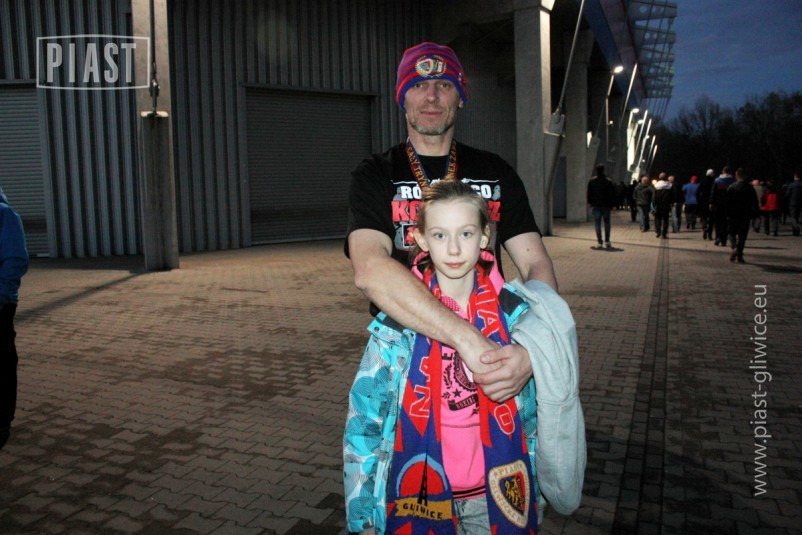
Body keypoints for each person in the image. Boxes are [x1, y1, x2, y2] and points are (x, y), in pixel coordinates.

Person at [345, 42, 558, 405]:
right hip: (406, 354)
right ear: (402, 98)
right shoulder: (376, 174)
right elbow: (369, 269)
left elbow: (535, 263)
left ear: (460, 98)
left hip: (492, 355)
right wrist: (464, 337)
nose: (431, 97)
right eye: (418, 85)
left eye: (444, 85)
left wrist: (531, 346)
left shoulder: (496, 171)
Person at [345, 182, 542, 534]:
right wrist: (362, 517)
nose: (453, 248)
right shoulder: (395, 325)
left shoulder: (515, 316)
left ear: (484, 236)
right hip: (417, 494)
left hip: (495, 495)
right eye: (439, 235)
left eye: (466, 233)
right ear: (420, 239)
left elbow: (539, 413)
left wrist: (541, 487)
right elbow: (365, 421)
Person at [0, 188, 29, 450]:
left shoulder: (5, 214)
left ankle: (2, 420)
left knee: (3, 362)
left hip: (1, 303)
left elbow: (17, 259)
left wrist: (1, 294)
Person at [725, 168, 760, 263]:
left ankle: (734, 247)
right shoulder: (749, 188)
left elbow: (727, 202)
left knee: (731, 233)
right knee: (742, 235)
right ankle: (740, 254)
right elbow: (755, 202)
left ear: (737, 176)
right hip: (745, 214)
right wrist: (756, 214)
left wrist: (726, 213)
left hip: (733, 214)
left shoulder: (732, 187)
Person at [586, 164, 617, 248]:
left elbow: (589, 193)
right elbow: (612, 194)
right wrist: (613, 205)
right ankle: (607, 241)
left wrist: (589, 203)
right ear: (603, 170)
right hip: (606, 205)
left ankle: (599, 242)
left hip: (596, 205)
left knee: (597, 223)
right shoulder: (608, 181)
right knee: (607, 223)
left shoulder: (592, 181)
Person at [709, 166, 735, 245]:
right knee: (726, 222)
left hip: (718, 204)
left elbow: (713, 192)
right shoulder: (733, 181)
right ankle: (723, 239)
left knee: (717, 221)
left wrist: (711, 202)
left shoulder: (717, 180)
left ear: (723, 171)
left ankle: (718, 236)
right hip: (729, 204)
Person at [698, 168, 716, 240]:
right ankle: (710, 235)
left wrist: (699, 201)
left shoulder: (703, 181)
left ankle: (704, 228)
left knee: (704, 217)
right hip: (712, 202)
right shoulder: (714, 181)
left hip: (704, 202)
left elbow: (698, 192)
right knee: (711, 218)